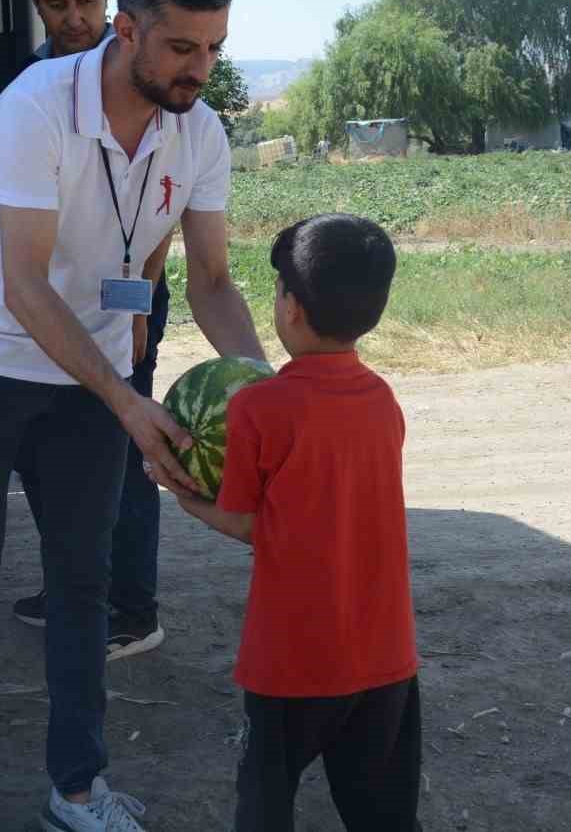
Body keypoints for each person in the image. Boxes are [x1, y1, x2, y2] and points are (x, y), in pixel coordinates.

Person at [0, 0, 265, 832]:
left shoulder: (199, 131)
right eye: (181, 48)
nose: (200, 71)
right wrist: (128, 397)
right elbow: (23, 286)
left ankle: (78, 787)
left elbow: (209, 279)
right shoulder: (34, 108)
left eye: (213, 49)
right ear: (126, 28)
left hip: (91, 376)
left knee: (82, 582)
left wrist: (270, 388)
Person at [161, 213, 422, 832]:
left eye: (278, 290)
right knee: (383, 815)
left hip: (292, 661)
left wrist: (181, 495)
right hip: (386, 657)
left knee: (266, 806)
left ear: (292, 309)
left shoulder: (258, 406)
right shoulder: (382, 399)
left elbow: (248, 524)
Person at [10, 0, 170, 660]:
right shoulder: (30, 84)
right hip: (52, 296)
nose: (74, 18)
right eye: (56, 4)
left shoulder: (142, 73)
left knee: (125, 440)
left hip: (124, 293)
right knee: (46, 447)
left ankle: (133, 608)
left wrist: (134, 305)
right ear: (36, 5)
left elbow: (161, 207)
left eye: (86, 0)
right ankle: (74, 580)